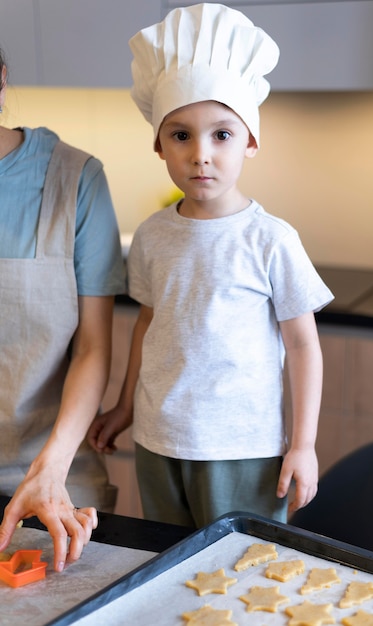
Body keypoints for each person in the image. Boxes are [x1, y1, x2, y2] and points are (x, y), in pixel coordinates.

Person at [87, 3, 334, 528]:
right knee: (170, 568)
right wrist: (126, 405)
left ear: (250, 142)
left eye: (221, 134)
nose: (201, 153)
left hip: (241, 446)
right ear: (159, 145)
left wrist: (305, 444)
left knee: (236, 578)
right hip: (158, 441)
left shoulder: (271, 239)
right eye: (181, 135)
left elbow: (303, 344)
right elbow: (150, 326)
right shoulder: (153, 234)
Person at [0, 47, 126, 571]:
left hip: (54, 459)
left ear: (1, 80)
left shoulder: (75, 179)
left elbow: (94, 348)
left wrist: (49, 469)